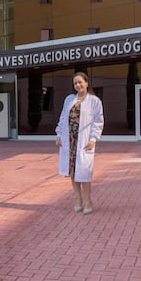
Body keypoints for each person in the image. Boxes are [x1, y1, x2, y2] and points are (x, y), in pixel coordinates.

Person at [55, 72, 104, 215]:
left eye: (80, 82)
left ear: (87, 83)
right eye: (75, 83)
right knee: (73, 172)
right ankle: (78, 200)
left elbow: (98, 121)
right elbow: (63, 118)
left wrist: (93, 139)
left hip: (84, 141)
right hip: (69, 140)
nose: (78, 85)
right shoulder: (69, 99)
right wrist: (59, 134)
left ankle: (88, 201)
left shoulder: (94, 101)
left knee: (84, 174)